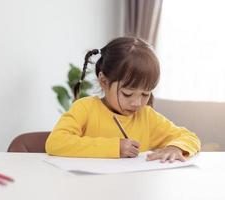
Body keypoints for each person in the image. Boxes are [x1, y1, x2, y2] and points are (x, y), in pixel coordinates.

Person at [46, 37, 201, 162]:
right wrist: (114, 147)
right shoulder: (85, 108)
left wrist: (175, 148)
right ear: (104, 82)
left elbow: (189, 137)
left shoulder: (146, 117)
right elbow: (55, 142)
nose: (137, 103)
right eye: (127, 94)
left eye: (145, 94)